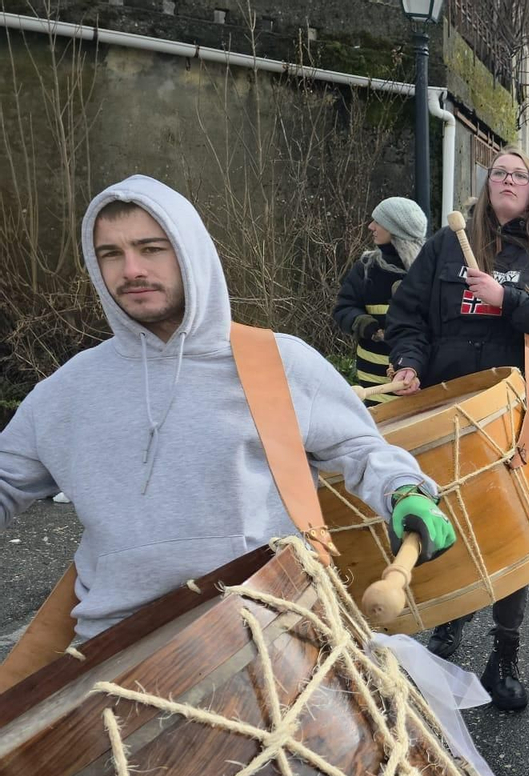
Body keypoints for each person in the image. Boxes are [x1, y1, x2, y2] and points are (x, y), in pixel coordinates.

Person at [0, 175, 457, 646]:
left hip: (265, 632)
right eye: (110, 254)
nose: (131, 269)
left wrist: (404, 491)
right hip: (113, 651)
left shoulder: (277, 361)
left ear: (190, 252)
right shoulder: (70, 389)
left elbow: (360, 449)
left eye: (151, 248)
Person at [386, 149, 529, 710]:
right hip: (448, 417)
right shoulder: (443, 247)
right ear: (487, 183)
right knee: (446, 526)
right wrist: (407, 361)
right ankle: (446, 635)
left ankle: (505, 653)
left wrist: (512, 301)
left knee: (512, 540)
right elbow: (407, 317)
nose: (507, 180)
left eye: (519, 174)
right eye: (499, 172)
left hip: (517, 419)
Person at [333, 196, 427, 406]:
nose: (370, 226)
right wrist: (363, 323)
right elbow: (343, 308)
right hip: (372, 385)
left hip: (416, 383)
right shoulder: (366, 268)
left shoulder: (428, 270)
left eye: (378, 221)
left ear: (396, 228)